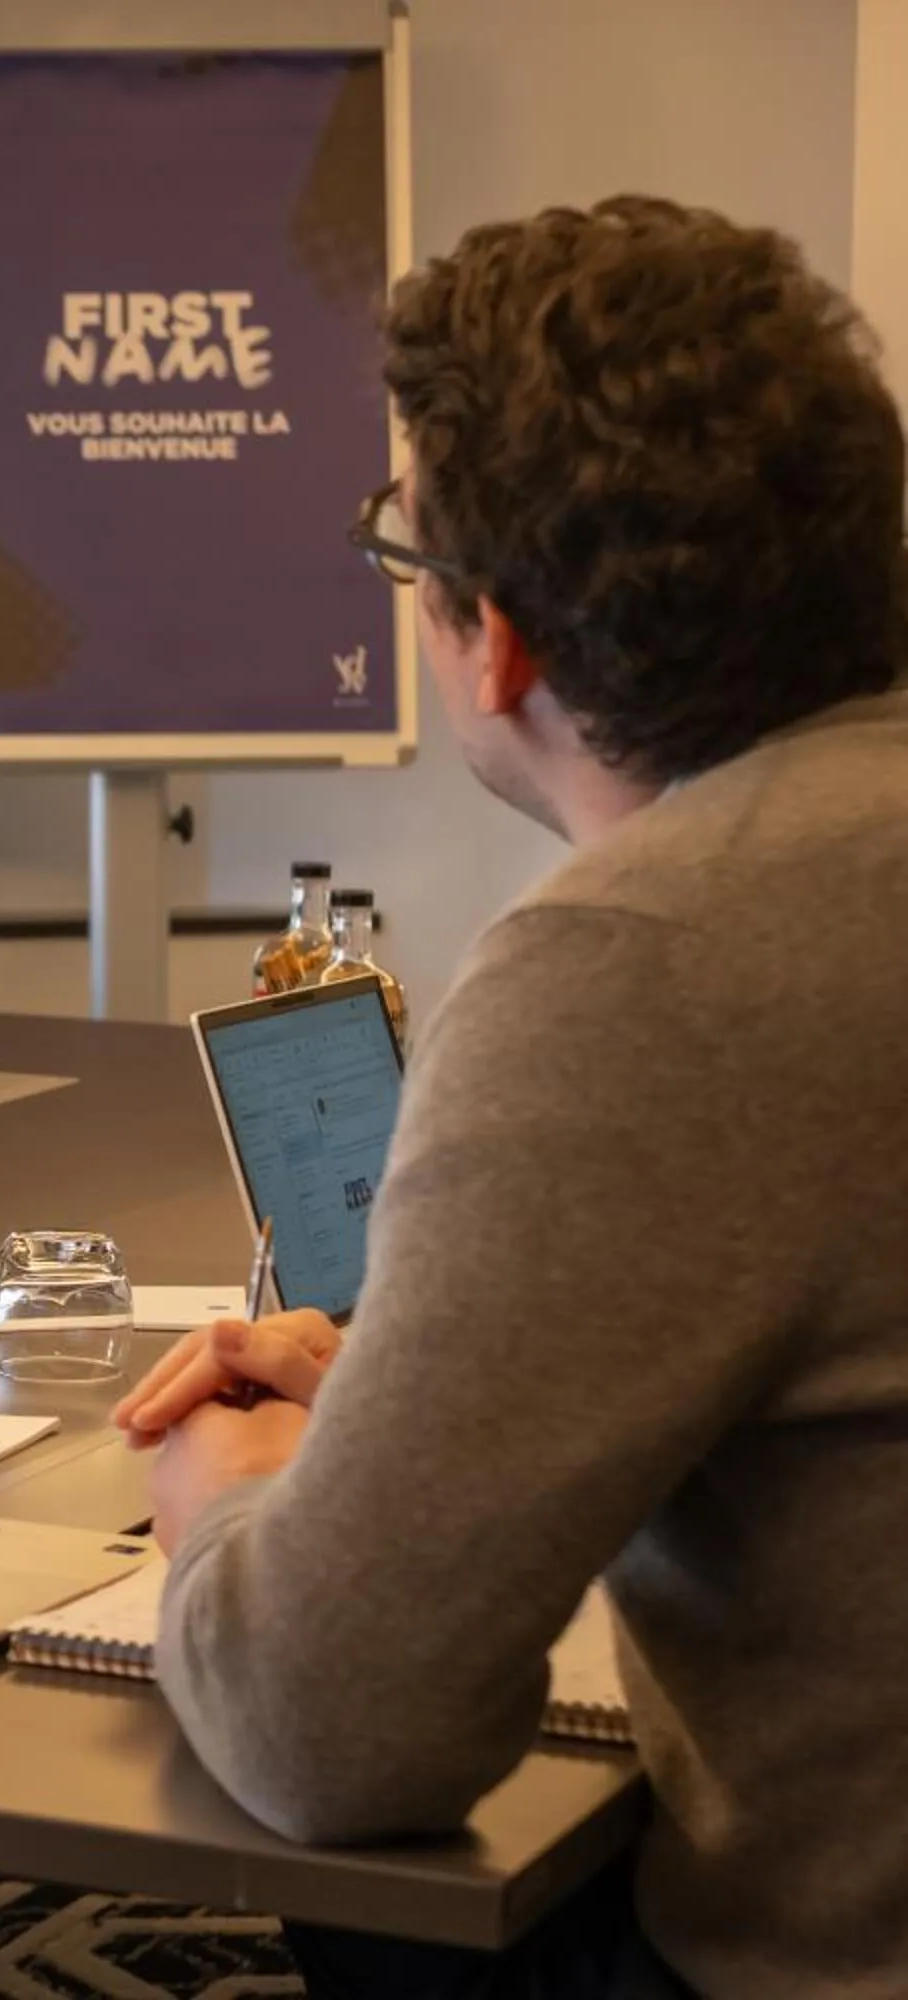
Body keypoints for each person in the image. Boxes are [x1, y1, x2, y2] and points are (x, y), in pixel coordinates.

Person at [110, 197, 908, 1997]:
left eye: (403, 549)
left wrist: (235, 1497)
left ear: (504, 641)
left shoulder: (644, 955)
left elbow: (335, 1730)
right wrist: (418, 1393)